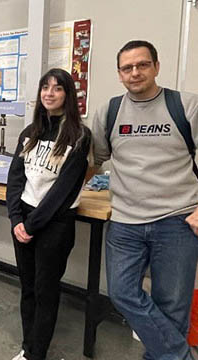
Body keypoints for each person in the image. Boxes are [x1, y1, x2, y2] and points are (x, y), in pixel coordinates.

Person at [92, 40, 198, 360]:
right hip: (125, 222)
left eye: (142, 65)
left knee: (172, 306)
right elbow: (93, 161)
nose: (135, 72)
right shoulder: (109, 111)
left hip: (177, 221)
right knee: (122, 294)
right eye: (127, 68)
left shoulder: (186, 106)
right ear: (120, 74)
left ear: (156, 67)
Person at [6, 68, 91, 360]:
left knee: (45, 289)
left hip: (54, 223)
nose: (49, 93)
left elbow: (64, 190)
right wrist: (16, 219)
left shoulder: (79, 135)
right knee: (27, 287)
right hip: (25, 220)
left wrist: (31, 225)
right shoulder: (30, 133)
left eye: (57, 88)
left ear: (68, 95)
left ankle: (35, 354)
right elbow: (15, 178)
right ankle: (28, 345)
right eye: (45, 87)